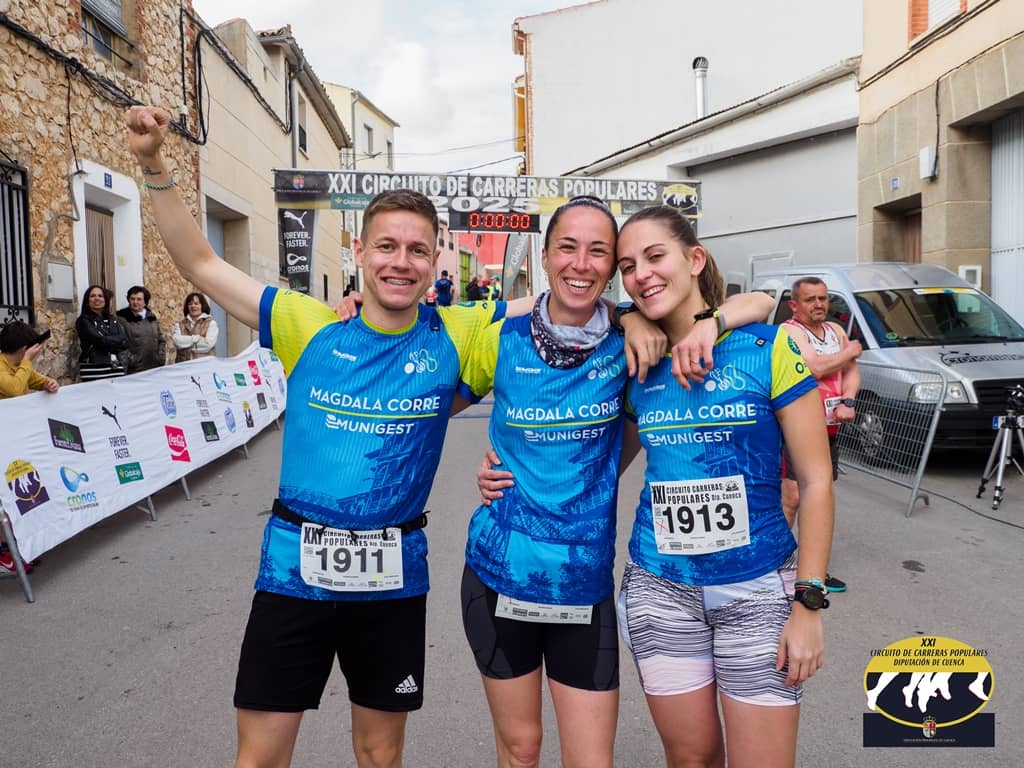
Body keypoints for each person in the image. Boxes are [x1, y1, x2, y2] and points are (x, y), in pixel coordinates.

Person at [126, 104, 586, 768]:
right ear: (360, 253)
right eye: (387, 247)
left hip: (392, 579)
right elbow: (200, 264)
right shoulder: (308, 324)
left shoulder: (458, 332)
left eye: (417, 250)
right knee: (259, 759)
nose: (402, 262)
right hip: (292, 572)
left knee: (379, 755)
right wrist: (153, 164)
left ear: (435, 260)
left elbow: (565, 304)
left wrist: (696, 316)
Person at [461, 197, 775, 768]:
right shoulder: (501, 336)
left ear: (611, 270)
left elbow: (760, 302)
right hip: (498, 573)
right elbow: (421, 401)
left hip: (583, 583)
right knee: (520, 749)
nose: (581, 263)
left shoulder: (633, 340)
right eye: (567, 247)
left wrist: (660, 319)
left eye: (599, 252)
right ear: (544, 256)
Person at [612, 206, 835, 768]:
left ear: (694, 259)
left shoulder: (767, 348)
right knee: (692, 760)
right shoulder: (638, 361)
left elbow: (815, 480)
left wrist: (809, 603)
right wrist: (506, 466)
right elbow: (603, 462)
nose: (641, 274)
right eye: (628, 266)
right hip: (660, 587)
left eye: (655, 257)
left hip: (758, 588)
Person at [780, 276, 861, 594]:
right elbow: (814, 367)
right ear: (794, 305)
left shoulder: (836, 331)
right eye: (810, 299)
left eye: (823, 298)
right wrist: (849, 351)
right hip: (797, 425)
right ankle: (777, 566)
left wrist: (848, 400)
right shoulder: (790, 332)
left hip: (829, 426)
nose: (818, 304)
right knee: (792, 497)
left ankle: (813, 570)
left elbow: (851, 371)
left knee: (819, 496)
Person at [0, 321, 59, 575]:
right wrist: (26, 361)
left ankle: (16, 546)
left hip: (14, 439)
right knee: (4, 499)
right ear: (24, 348)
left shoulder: (18, 365)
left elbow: (33, 379)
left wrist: (48, 383)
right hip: (4, 441)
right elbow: (14, 389)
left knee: (19, 495)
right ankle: (5, 553)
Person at [76, 285, 130, 382]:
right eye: (92, 296)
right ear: (87, 301)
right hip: (94, 369)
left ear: (105, 300)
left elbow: (125, 341)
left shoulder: (113, 319)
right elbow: (100, 341)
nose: (97, 298)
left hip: (116, 368)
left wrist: (109, 340)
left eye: (100, 296)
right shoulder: (84, 321)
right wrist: (116, 340)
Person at [116, 285, 166, 373]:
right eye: (132, 299)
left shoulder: (151, 317)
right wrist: (132, 360)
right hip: (135, 369)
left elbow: (161, 339)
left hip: (154, 367)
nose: (135, 302)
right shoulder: (122, 319)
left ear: (145, 302)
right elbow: (120, 344)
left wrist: (160, 357)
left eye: (139, 299)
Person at [172, 292, 219, 362]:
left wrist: (186, 345)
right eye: (190, 304)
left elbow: (208, 344)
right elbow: (177, 342)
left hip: (204, 365)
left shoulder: (211, 324)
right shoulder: (179, 325)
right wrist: (196, 338)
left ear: (202, 306)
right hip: (183, 365)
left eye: (196, 303)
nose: (193, 306)